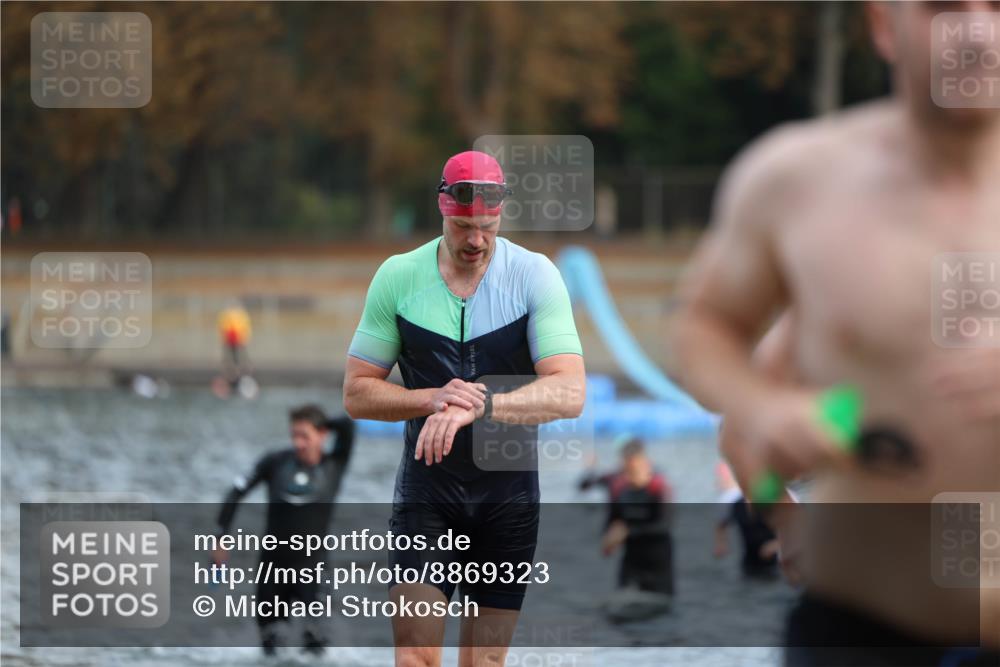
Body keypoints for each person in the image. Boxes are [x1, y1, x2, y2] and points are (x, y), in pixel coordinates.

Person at [671, 2, 999, 664]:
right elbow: (704, 326)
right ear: (885, 26)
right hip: (859, 624)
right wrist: (773, 442)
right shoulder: (800, 182)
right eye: (943, 7)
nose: (976, 32)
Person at [343, 150, 585, 667]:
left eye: (487, 227)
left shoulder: (534, 276)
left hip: (508, 500)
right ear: (442, 209)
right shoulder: (398, 277)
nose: (476, 240)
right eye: (465, 227)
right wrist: (430, 399)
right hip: (429, 494)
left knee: (482, 664)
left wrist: (481, 406)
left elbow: (570, 390)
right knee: (415, 659)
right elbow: (357, 392)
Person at [213, 405, 356, 656]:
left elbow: (348, 425)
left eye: (305, 436)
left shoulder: (335, 464)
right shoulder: (276, 462)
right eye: (294, 436)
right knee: (270, 646)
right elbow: (235, 493)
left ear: (323, 434)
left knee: (316, 645)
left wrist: (322, 422)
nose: (298, 443)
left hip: (313, 570)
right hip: (272, 570)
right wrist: (221, 538)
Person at [583, 436, 674, 597]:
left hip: (657, 557)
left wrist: (626, 532)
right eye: (627, 471)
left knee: (660, 600)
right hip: (631, 556)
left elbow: (665, 525)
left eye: (634, 470)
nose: (629, 476)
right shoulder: (618, 485)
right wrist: (607, 539)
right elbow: (613, 520)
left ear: (645, 464)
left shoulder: (658, 486)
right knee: (622, 600)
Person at [712, 462, 779, 579]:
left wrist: (776, 545)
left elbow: (797, 528)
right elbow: (721, 524)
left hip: (778, 563)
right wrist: (721, 544)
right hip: (749, 562)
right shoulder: (736, 504)